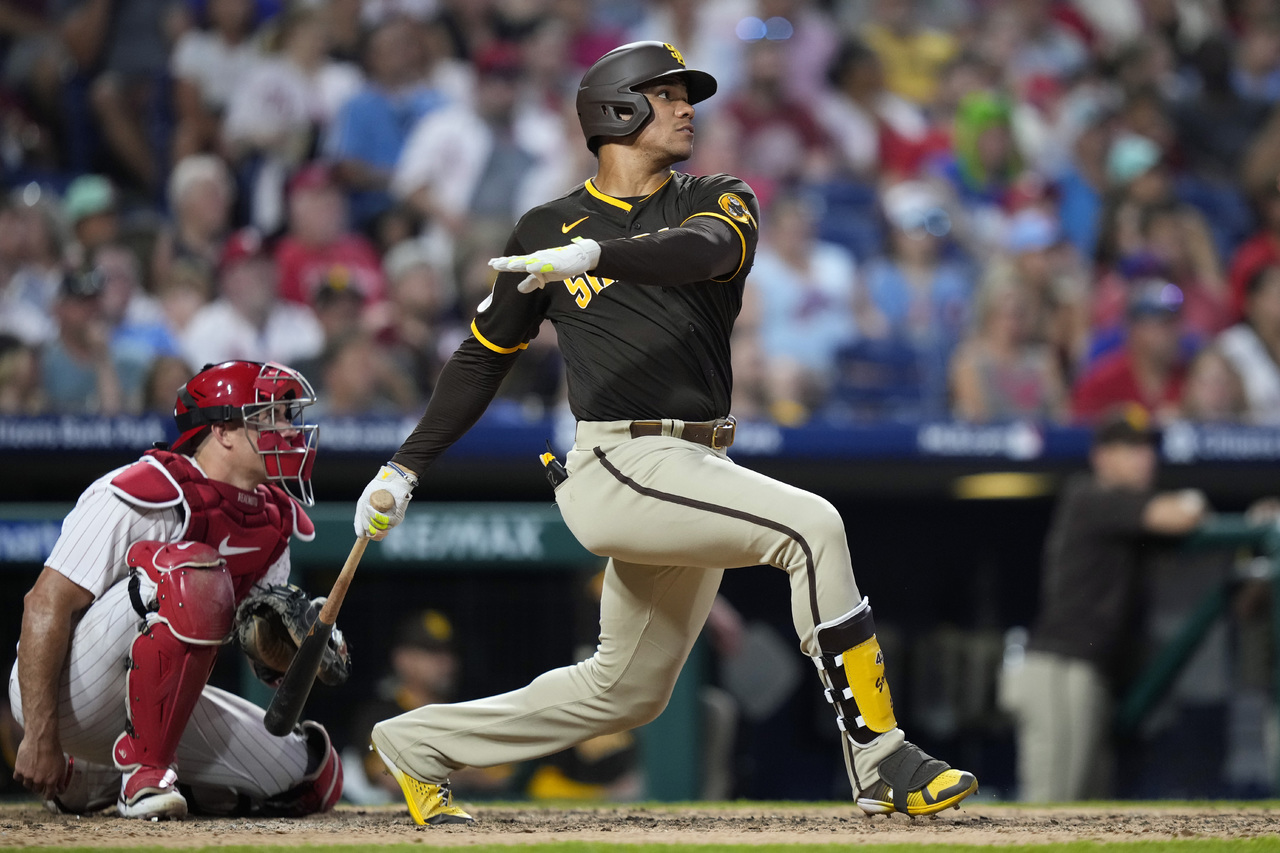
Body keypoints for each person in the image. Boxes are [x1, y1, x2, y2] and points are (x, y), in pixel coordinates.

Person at [353, 40, 978, 826]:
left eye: (689, 96)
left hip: (696, 459)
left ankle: (416, 741)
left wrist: (599, 256)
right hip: (618, 458)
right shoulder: (545, 226)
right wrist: (403, 467)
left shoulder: (716, 196)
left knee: (626, 691)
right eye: (669, 94)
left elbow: (704, 252)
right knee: (813, 527)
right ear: (617, 109)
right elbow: (482, 358)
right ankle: (879, 756)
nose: (688, 109)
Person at [8, 359, 345, 819]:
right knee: (192, 571)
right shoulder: (143, 491)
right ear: (223, 431)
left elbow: (258, 648)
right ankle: (144, 777)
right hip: (70, 695)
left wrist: (298, 651)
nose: (289, 430)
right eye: (272, 416)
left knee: (311, 777)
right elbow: (44, 603)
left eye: (288, 416)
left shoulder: (272, 521)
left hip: (155, 706)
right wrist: (39, 733)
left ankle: (88, 780)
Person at [1001, 407, 1208, 801]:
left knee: (1086, 805)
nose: (1145, 458)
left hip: (1087, 671)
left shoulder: (1123, 510)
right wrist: (1194, 501)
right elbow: (1176, 517)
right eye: (1130, 448)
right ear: (1102, 457)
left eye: (1147, 448)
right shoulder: (1090, 495)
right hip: (1058, 670)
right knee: (1050, 807)